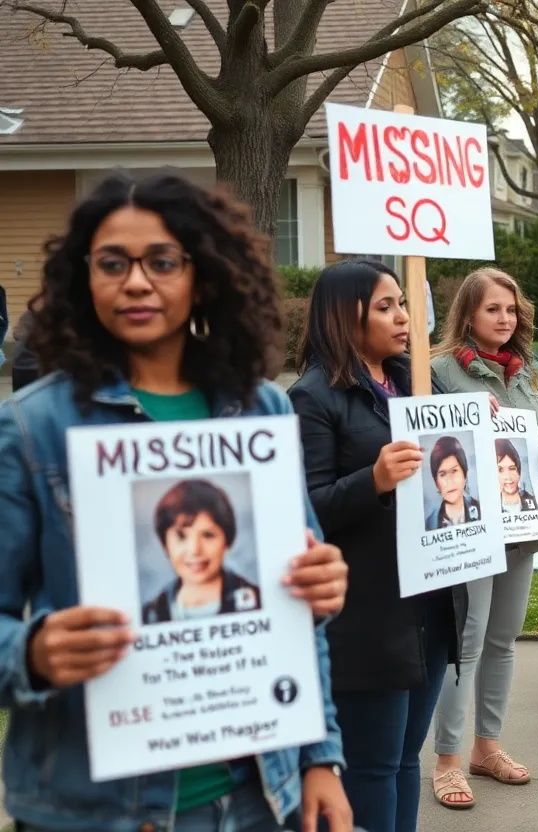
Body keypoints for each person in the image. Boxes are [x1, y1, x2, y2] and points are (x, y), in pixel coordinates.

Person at [0, 171, 352, 832]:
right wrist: (34, 652)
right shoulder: (30, 428)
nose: (136, 282)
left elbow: (297, 620)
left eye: (162, 261)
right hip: (95, 811)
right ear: (85, 279)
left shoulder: (261, 409)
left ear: (204, 273)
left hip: (258, 798)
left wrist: (320, 758)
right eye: (112, 263)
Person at [289, 258, 461, 832]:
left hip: (432, 596)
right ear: (345, 316)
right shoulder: (312, 397)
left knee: (407, 756)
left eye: (403, 304)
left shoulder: (418, 380)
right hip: (367, 611)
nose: (403, 317)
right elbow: (302, 509)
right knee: (373, 763)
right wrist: (374, 480)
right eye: (385, 306)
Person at [429, 267, 538, 809]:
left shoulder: (526, 371)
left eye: (510, 309)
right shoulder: (438, 371)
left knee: (504, 640)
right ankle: (448, 761)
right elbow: (428, 442)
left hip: (522, 522)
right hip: (470, 528)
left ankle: (488, 746)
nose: (504, 319)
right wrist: (462, 417)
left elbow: (531, 442)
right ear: (468, 315)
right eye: (492, 310)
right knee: (466, 643)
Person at [142, 479, 262, 624]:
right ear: (165, 545)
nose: (194, 550)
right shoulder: (151, 615)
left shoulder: (258, 602)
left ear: (227, 541)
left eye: (208, 535)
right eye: (181, 536)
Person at [424, 436, 482, 530]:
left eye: (454, 471)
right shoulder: (431, 524)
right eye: (442, 474)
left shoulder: (481, 510)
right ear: (436, 482)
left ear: (465, 474)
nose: (449, 481)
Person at [497, 440, 538, 512]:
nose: (508, 477)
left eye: (512, 468)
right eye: (501, 470)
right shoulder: (486, 508)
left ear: (518, 471)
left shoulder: (536, 503)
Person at [9, 307, 40, 392]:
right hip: (35, 364)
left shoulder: (28, 314)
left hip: (19, 363)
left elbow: (16, 333)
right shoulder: (49, 315)